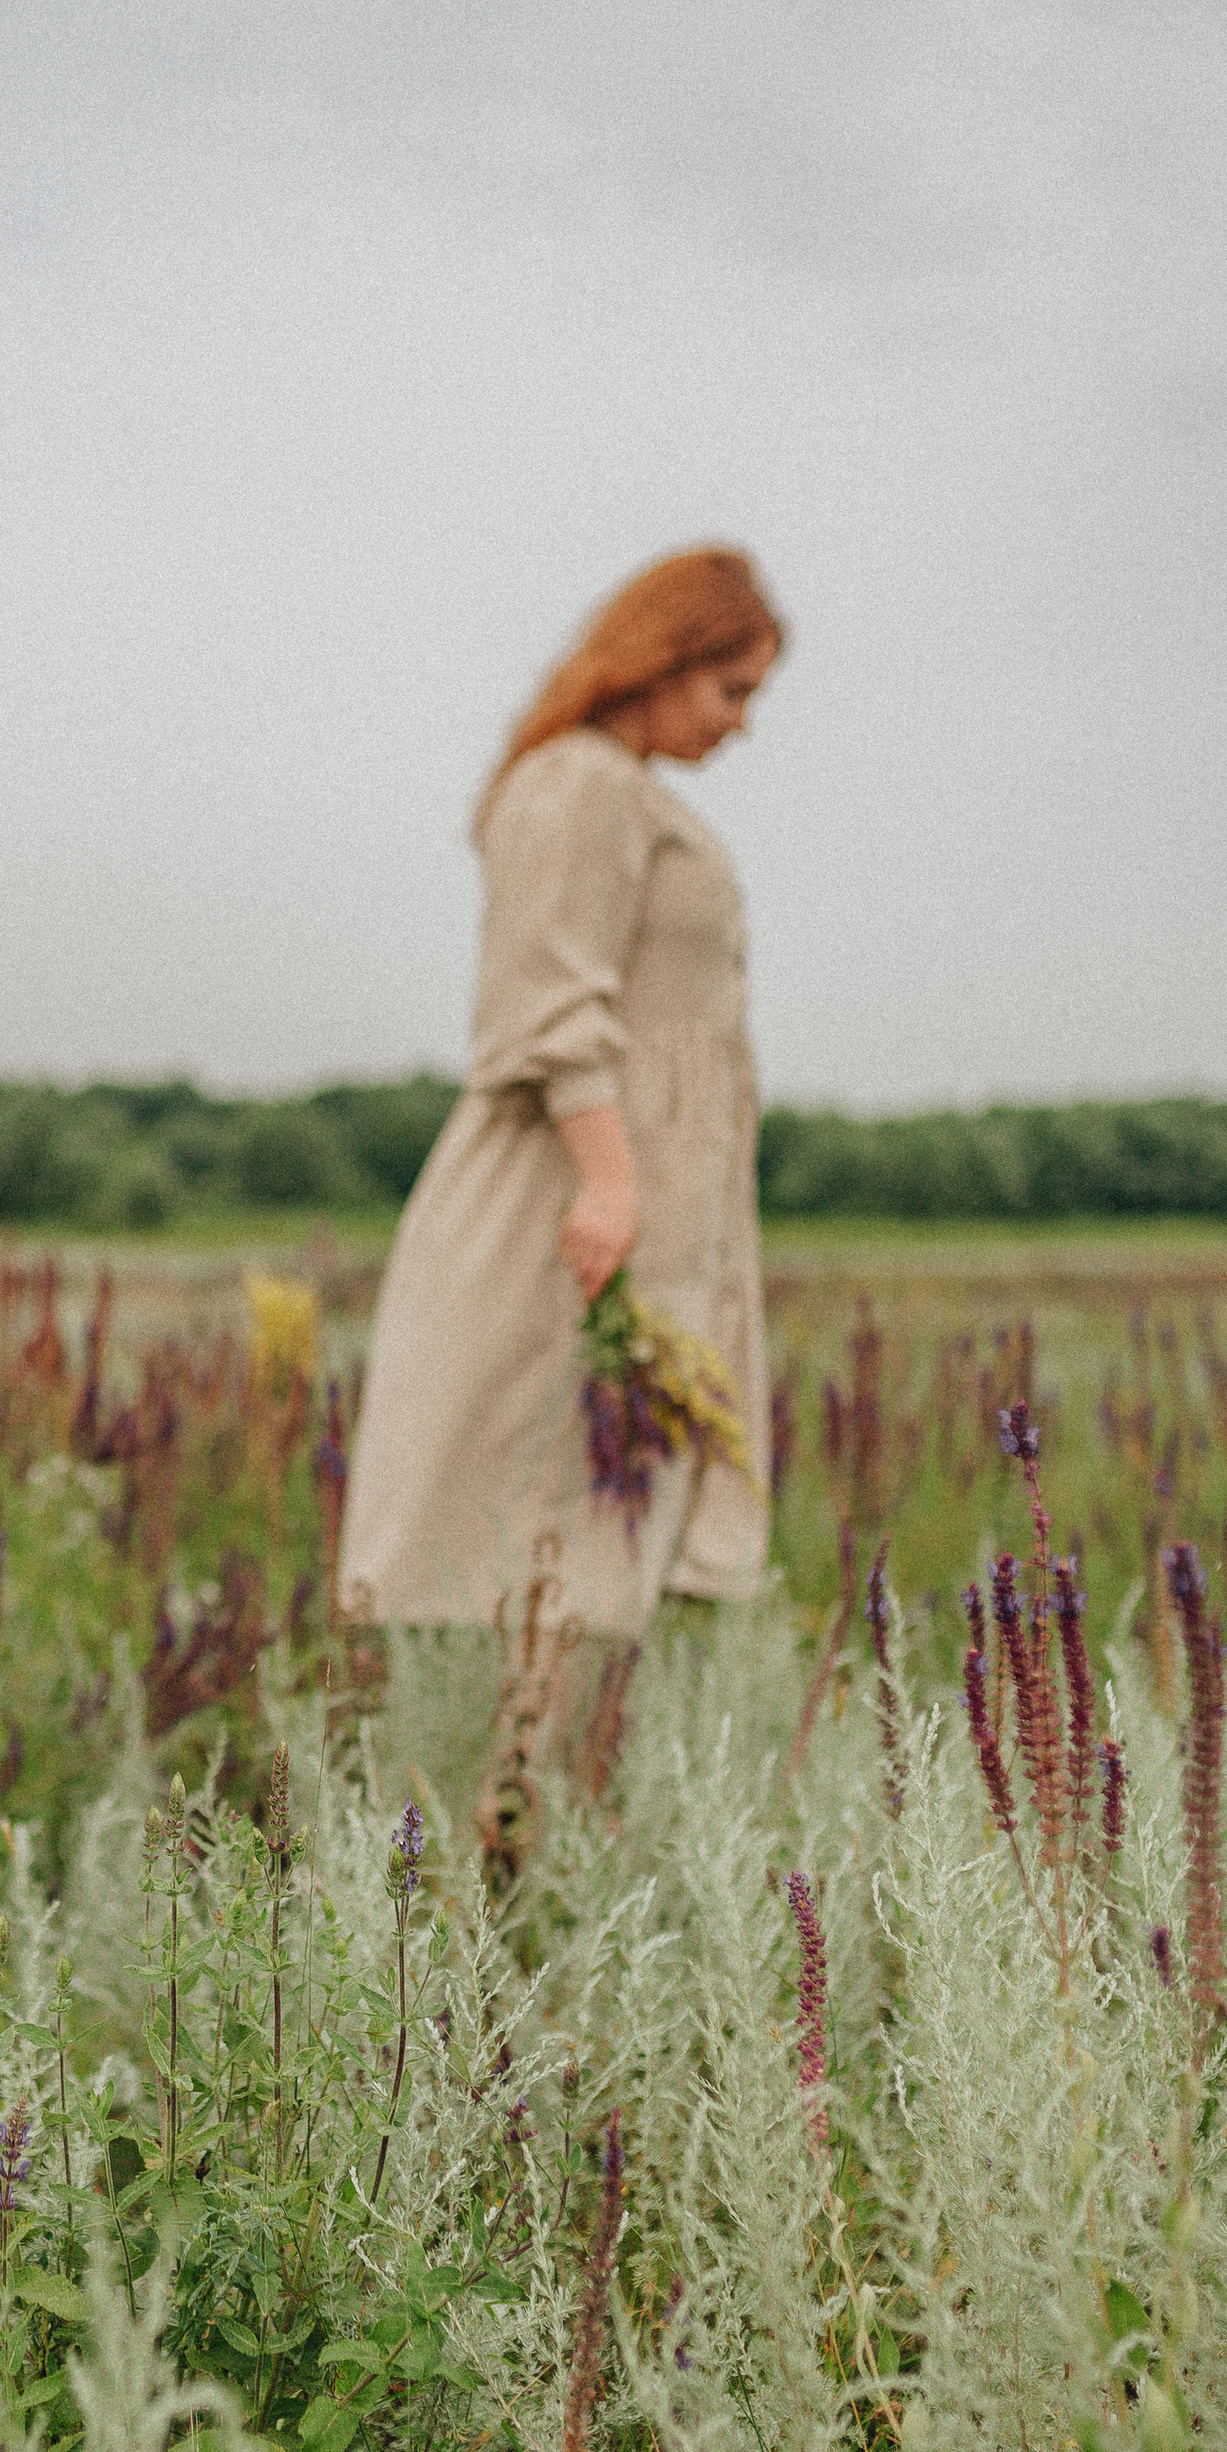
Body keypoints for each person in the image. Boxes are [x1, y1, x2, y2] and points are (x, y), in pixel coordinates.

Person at [336, 546, 783, 1639]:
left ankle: (550, 1798)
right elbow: (542, 1003)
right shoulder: (579, 782)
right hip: (575, 1196)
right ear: (661, 660)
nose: (740, 726)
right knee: (528, 1544)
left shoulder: (624, 792)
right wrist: (610, 1184)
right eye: (731, 692)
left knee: (595, 1548)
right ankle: (490, 1798)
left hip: (640, 1192)